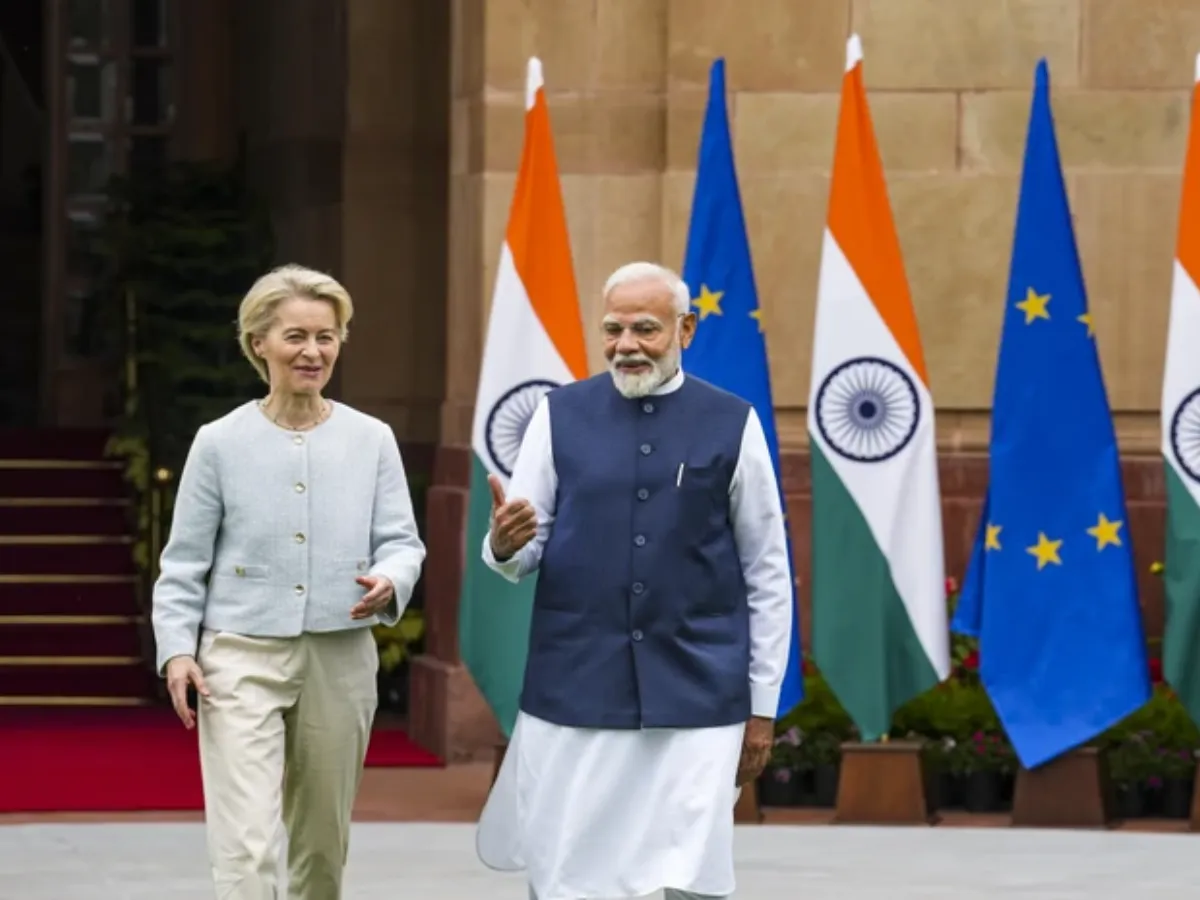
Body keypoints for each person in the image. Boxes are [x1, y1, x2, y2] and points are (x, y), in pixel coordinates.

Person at [476, 261, 793, 900]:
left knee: (682, 869)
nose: (626, 345)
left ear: (686, 329)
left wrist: (761, 707)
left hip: (698, 689)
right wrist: (502, 547)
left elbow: (767, 571)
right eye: (613, 329)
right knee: (568, 863)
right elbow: (523, 541)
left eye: (645, 329)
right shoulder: (557, 414)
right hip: (576, 683)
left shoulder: (734, 422)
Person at [151, 264, 426, 899]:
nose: (313, 352)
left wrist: (390, 578)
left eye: (326, 337)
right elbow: (184, 561)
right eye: (296, 336)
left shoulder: (371, 438)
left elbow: (402, 541)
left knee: (321, 848)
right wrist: (178, 652)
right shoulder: (218, 442)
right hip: (239, 658)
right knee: (245, 848)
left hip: (341, 655)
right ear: (260, 345)